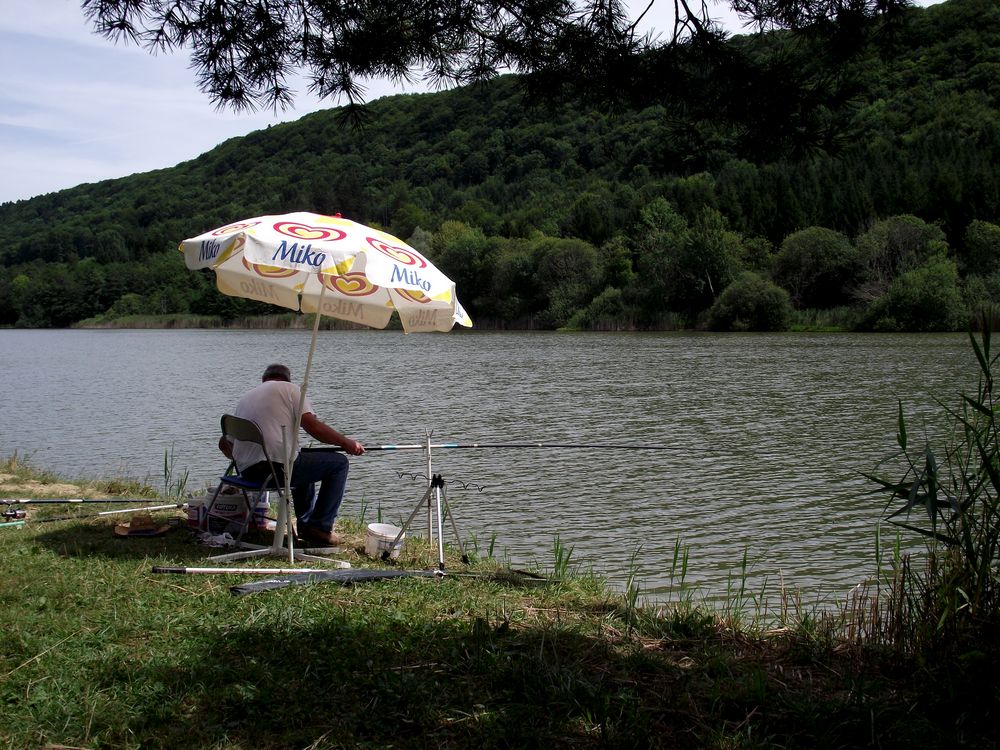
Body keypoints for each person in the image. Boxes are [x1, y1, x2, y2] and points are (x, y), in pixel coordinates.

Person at [220, 363, 365, 546]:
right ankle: (320, 527)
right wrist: (346, 443)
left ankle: (306, 525)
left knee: (301, 460)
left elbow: (223, 443)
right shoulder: (291, 390)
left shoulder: (247, 397)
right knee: (339, 463)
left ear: (264, 380)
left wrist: (244, 458)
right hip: (275, 471)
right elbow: (312, 426)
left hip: (248, 474)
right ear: (288, 379)